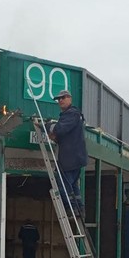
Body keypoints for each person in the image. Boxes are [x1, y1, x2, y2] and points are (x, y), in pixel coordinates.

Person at [47, 89, 88, 219]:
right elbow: (66, 135)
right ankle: (79, 208)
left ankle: (71, 208)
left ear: (70, 98)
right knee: (73, 185)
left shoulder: (71, 114)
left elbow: (60, 128)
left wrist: (47, 126)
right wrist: (56, 138)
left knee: (63, 185)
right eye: (58, 99)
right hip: (76, 158)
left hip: (69, 158)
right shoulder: (75, 115)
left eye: (63, 98)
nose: (60, 101)